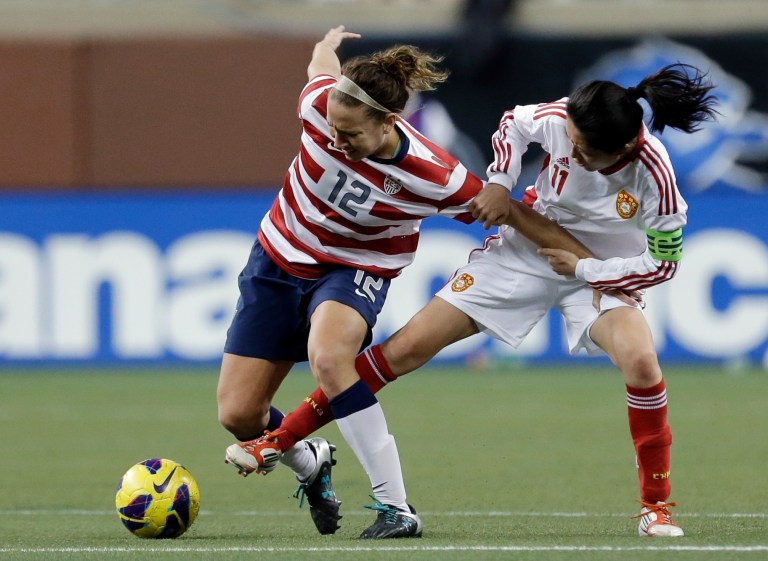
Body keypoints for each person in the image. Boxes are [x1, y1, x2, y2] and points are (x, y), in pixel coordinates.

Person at [228, 63, 718, 538]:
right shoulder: (560, 120)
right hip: (524, 255)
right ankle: (284, 439)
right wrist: (503, 181)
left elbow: (664, 265)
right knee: (406, 349)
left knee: (642, 363)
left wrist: (587, 270)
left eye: (586, 151)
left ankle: (655, 508)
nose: (573, 151)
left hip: (598, 269)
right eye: (571, 139)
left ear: (625, 148)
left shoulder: (657, 179)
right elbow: (512, 123)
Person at [219, 26, 592, 539]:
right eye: (332, 128)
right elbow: (319, 68)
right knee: (239, 414)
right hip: (276, 260)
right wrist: (328, 42)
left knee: (330, 358)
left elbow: (517, 217)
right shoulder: (319, 105)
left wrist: (595, 264)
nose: (336, 140)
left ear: (390, 121)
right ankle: (309, 462)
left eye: (350, 134)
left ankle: (395, 508)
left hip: (354, 269)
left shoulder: (434, 175)